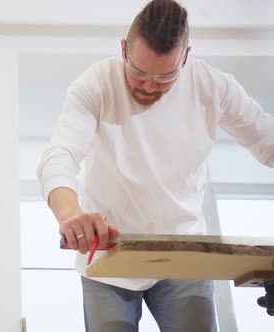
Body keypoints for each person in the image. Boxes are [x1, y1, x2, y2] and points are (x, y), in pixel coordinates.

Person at [36, 0, 274, 331]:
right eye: (138, 72)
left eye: (165, 77)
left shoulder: (214, 87)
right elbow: (59, 155)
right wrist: (71, 216)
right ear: (124, 49)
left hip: (183, 256)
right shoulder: (95, 84)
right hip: (108, 258)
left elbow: (267, 141)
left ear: (185, 57)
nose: (149, 86)